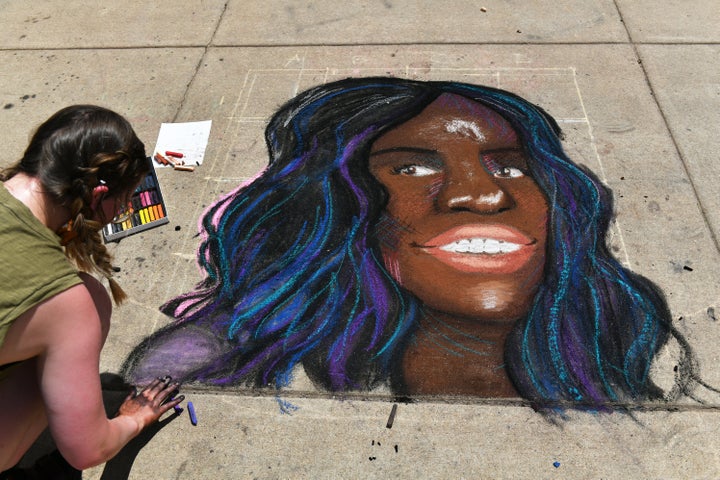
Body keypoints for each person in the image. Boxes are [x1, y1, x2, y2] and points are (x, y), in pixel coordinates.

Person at [122, 77, 695, 409]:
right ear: (333, 207)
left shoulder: (630, 349)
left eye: (515, 168)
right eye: (412, 169)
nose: (484, 197)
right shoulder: (213, 358)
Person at [0, 105, 183, 474]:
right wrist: (135, 419)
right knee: (88, 305)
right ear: (98, 195)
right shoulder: (68, 305)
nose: (128, 207)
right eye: (126, 197)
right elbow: (87, 452)